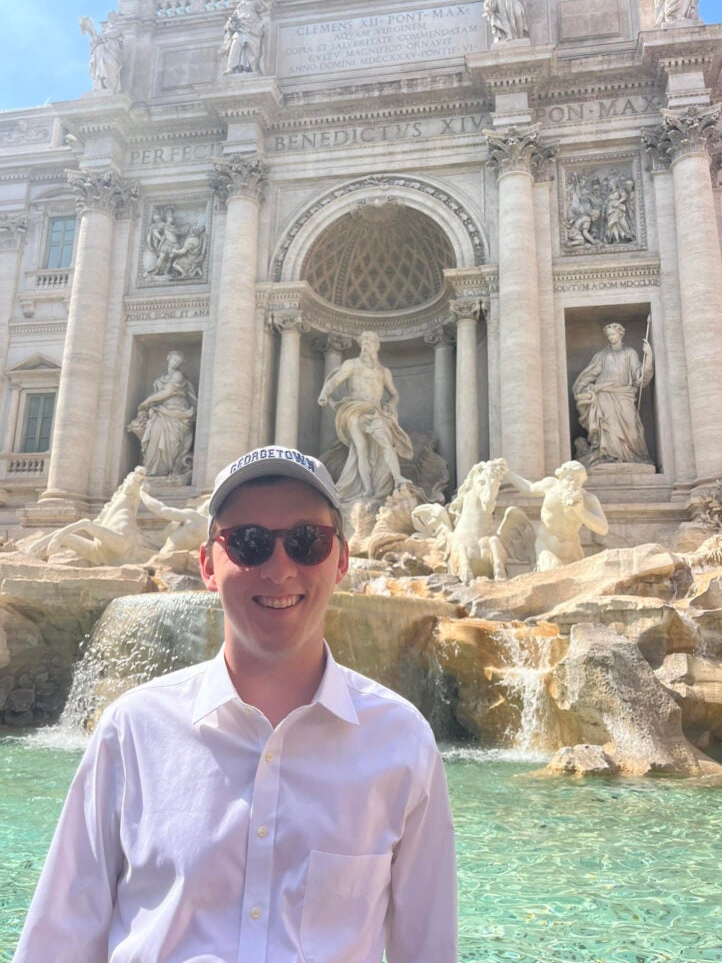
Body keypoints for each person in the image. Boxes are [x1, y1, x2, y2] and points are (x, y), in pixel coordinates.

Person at [13, 444, 457, 963]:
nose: (279, 567)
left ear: (340, 560)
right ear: (207, 564)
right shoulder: (132, 730)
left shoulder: (402, 740)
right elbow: (58, 941)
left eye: (307, 541)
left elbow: (428, 949)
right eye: (248, 543)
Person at [318, 331, 413, 502]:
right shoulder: (351, 365)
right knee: (360, 447)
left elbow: (394, 394)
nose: (366, 347)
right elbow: (334, 381)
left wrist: (391, 405)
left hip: (375, 411)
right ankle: (367, 488)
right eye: (364, 344)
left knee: (386, 442)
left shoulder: (384, 372)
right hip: (354, 409)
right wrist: (325, 393)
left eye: (370, 344)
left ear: (377, 346)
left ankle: (398, 478)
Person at [572, 323, 654, 466]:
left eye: (613, 334)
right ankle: (608, 455)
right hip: (604, 394)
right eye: (608, 335)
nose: (610, 337)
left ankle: (631, 456)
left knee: (631, 426)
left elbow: (638, 376)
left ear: (620, 334)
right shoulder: (602, 355)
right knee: (607, 424)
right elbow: (589, 374)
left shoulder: (630, 353)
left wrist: (649, 357)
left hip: (624, 394)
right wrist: (582, 388)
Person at [506, 460, 609, 571]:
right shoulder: (550, 485)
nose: (573, 484)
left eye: (578, 482)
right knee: (551, 570)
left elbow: (603, 529)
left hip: (572, 551)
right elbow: (529, 488)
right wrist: (507, 473)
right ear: (561, 477)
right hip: (546, 546)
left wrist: (581, 512)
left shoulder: (588, 499)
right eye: (570, 480)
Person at [128, 350, 197, 480]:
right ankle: (153, 470)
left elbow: (168, 392)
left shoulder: (179, 376)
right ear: (168, 359)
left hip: (177, 413)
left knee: (172, 442)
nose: (176, 363)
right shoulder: (160, 379)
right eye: (174, 360)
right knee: (154, 437)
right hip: (160, 412)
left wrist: (148, 401)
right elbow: (157, 394)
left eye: (179, 361)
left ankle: (167, 471)